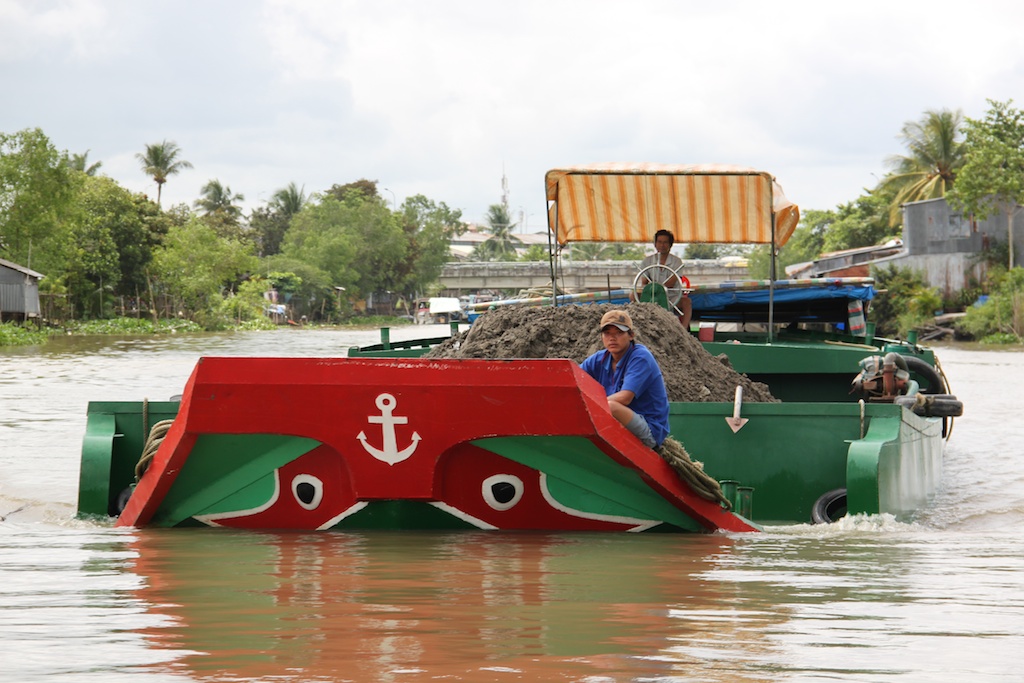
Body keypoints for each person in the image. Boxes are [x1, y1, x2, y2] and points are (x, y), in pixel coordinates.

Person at [580, 309, 670, 450]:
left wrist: (589, 405)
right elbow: (574, 380)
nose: (612, 338)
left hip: (649, 429)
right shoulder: (599, 359)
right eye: (607, 333)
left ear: (631, 335)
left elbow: (625, 398)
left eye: (619, 333)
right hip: (618, 421)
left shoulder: (640, 357)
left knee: (611, 406)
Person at [636, 229, 693, 328]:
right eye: (659, 242)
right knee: (633, 295)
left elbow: (671, 283)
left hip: (670, 295)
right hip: (651, 294)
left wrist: (656, 287)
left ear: (670, 245)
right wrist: (652, 290)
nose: (662, 245)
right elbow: (644, 282)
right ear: (655, 244)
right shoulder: (647, 261)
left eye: (665, 242)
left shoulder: (676, 262)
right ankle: (640, 325)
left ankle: (683, 331)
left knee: (687, 303)